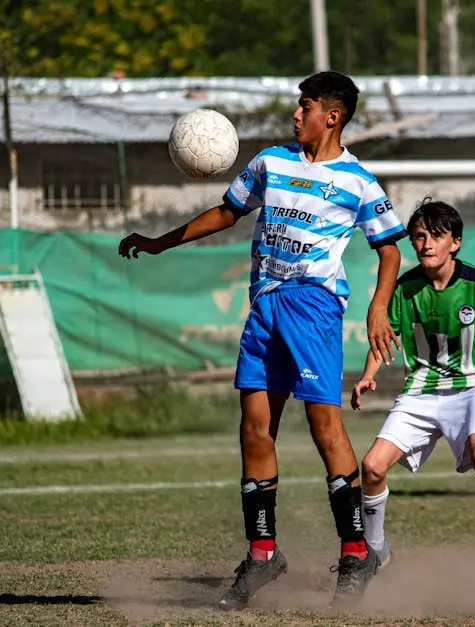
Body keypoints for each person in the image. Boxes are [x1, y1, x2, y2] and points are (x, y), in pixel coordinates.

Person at [119, 71, 407, 609]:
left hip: (315, 308)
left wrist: (378, 305)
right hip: (266, 306)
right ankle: (262, 555)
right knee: (254, 428)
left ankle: (356, 553)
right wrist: (161, 243)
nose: (296, 115)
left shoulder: (358, 181)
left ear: (333, 115)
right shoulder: (270, 162)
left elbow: (390, 248)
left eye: (306, 106)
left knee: (326, 428)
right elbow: (228, 212)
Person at [351, 199, 475, 572]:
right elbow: (387, 336)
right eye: (419, 236)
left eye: (437, 236)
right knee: (371, 467)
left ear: (455, 242)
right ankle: (375, 551)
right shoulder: (405, 289)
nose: (426, 244)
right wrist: (368, 374)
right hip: (422, 388)